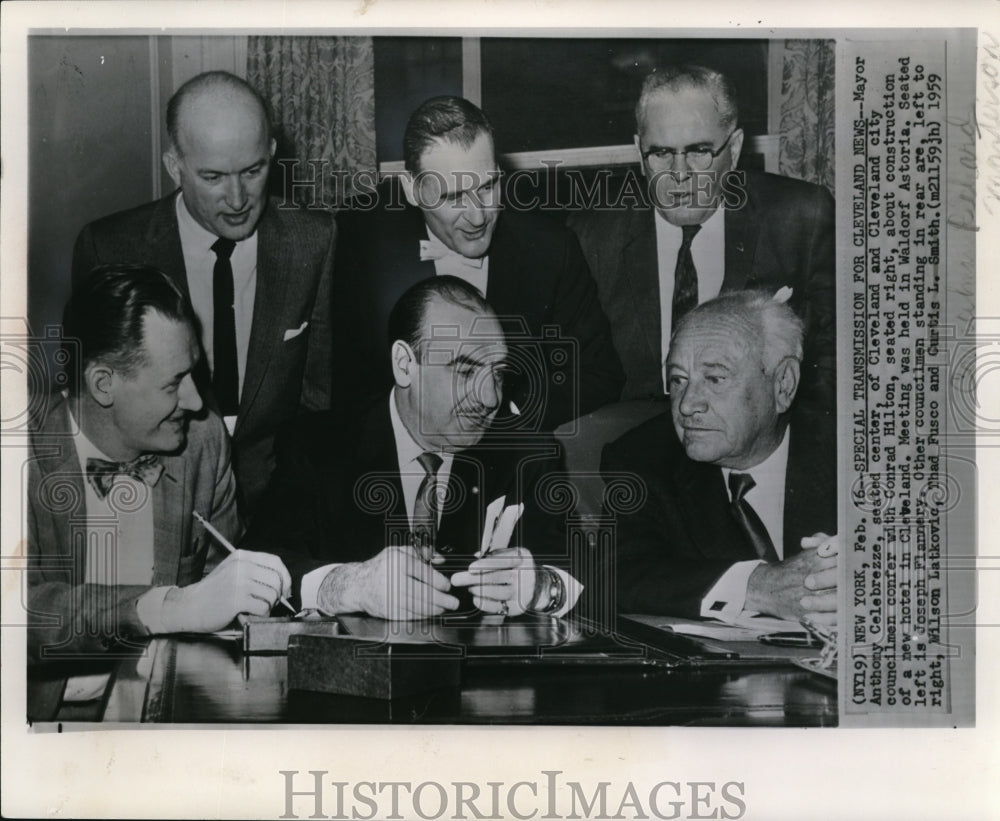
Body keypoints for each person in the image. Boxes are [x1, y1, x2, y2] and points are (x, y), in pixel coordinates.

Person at [27, 265, 292, 721]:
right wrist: (164, 609)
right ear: (103, 384)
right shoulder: (21, 454)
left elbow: (218, 595)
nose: (195, 402)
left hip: (172, 716)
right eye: (174, 383)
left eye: (193, 373)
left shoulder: (202, 441)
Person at [243, 276, 582, 620]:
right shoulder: (318, 446)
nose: (491, 397)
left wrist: (543, 586)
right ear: (405, 365)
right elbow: (255, 569)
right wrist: (349, 586)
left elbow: (592, 578)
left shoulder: (528, 453)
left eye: (498, 374)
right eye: (465, 372)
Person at [72, 70, 335, 513]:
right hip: (160, 494)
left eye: (253, 171)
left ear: (272, 153)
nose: (237, 199)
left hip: (280, 499)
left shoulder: (315, 238)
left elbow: (318, 399)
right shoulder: (109, 247)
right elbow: (92, 406)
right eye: (213, 177)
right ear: (174, 166)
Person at [332, 95, 623, 431]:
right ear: (412, 191)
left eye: (487, 187)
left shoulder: (550, 247)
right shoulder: (364, 242)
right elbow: (350, 387)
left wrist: (504, 412)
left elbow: (599, 374)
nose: (477, 217)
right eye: (453, 196)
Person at [568, 64, 834, 413]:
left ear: (734, 148)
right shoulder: (590, 237)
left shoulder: (800, 217)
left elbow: (835, 362)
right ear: (639, 151)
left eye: (699, 151)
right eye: (661, 153)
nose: (679, 175)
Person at [601, 290, 837, 624]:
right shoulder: (641, 458)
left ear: (783, 384)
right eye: (678, 380)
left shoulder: (857, 448)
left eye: (715, 379)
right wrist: (756, 586)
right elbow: (618, 575)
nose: (686, 405)